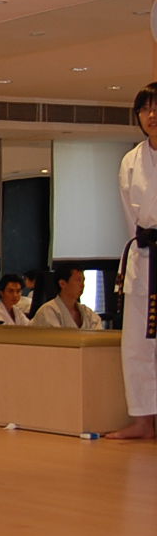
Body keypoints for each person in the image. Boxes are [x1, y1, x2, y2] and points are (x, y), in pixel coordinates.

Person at [110, 83, 157, 440]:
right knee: (137, 345)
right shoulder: (131, 160)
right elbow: (131, 218)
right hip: (144, 257)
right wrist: (135, 260)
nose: (151, 115)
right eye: (145, 109)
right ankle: (143, 419)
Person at [32, 266, 103, 330]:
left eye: (83, 280)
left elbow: (98, 334)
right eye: (78, 280)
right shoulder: (48, 311)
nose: (82, 285)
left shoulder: (87, 312)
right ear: (62, 283)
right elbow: (57, 338)